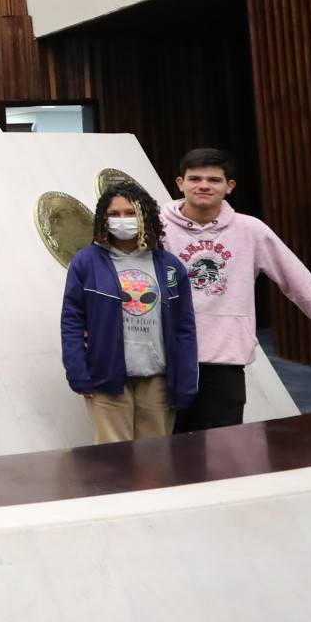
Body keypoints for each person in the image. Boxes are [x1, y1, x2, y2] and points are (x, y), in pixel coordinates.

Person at [162, 147, 311, 431]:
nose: (204, 186)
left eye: (214, 180)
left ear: (229, 187)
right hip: (167, 358)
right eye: (195, 178)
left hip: (224, 359)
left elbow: (300, 283)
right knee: (165, 449)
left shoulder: (251, 230)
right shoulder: (157, 228)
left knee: (222, 449)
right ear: (180, 183)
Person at [62, 184, 198, 442]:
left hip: (158, 380)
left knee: (155, 460)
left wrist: (185, 382)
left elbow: (185, 328)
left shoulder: (170, 266)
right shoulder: (85, 261)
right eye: (114, 214)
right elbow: (72, 321)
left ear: (145, 214)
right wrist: (78, 373)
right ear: (103, 217)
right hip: (105, 378)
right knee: (113, 462)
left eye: (130, 212)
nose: (122, 220)